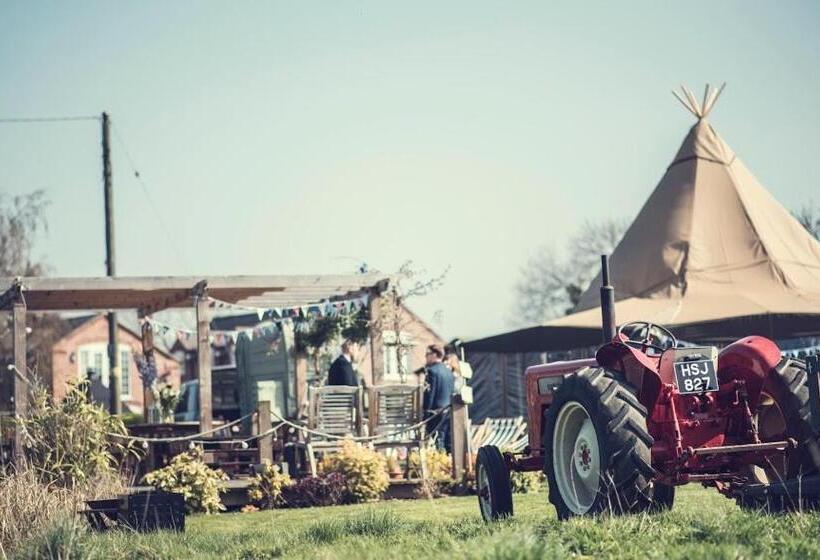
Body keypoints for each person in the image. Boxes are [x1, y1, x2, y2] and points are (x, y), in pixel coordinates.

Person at [421, 344, 455, 452]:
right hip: (449, 411)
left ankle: (440, 466)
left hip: (435, 413)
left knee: (437, 442)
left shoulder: (432, 371)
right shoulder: (449, 372)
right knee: (447, 442)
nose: (426, 357)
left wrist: (425, 414)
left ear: (435, 355)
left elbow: (429, 395)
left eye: (427, 354)